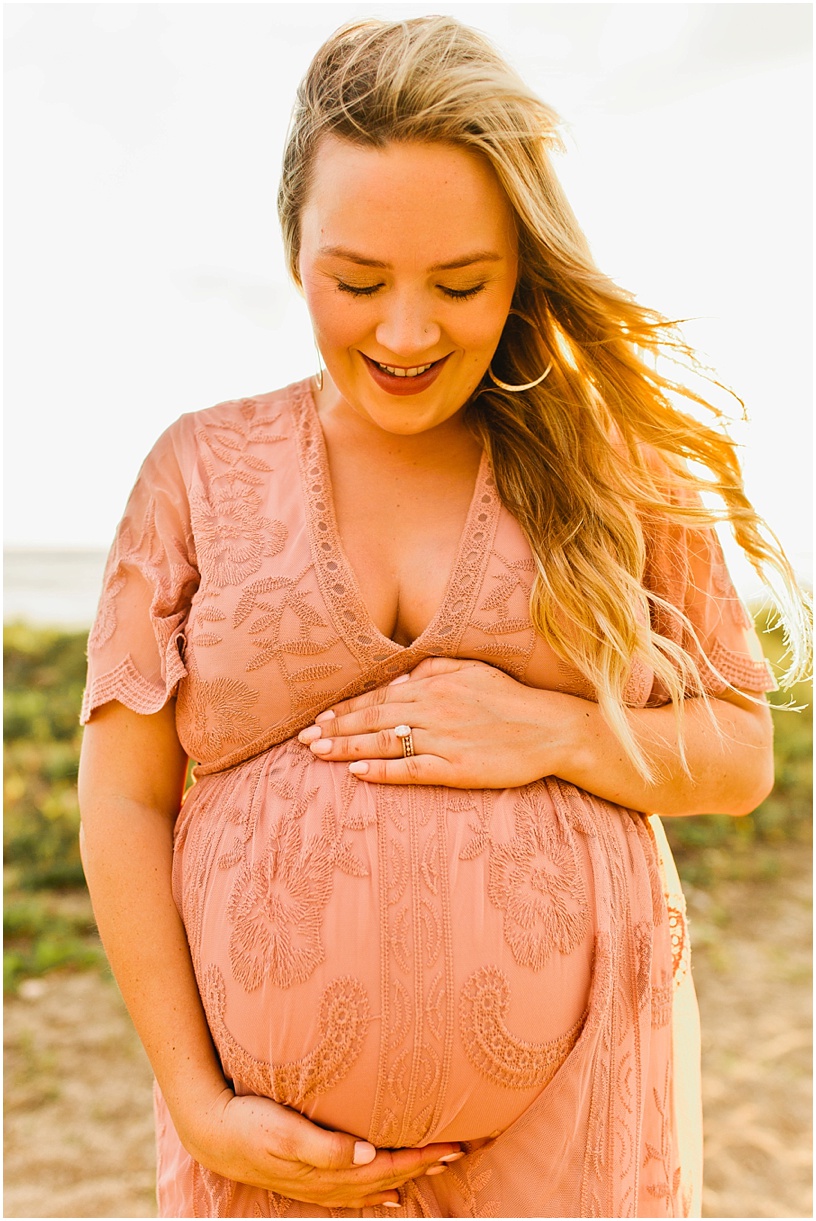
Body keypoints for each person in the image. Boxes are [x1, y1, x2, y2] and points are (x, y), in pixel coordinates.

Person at [78, 15, 808, 1219]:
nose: (407, 334)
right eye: (356, 282)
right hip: (263, 1158)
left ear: (520, 264)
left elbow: (740, 757)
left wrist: (561, 733)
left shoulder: (613, 467)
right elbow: (124, 796)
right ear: (293, 248)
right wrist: (199, 1103)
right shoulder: (198, 473)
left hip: (574, 1133)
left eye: (461, 285)